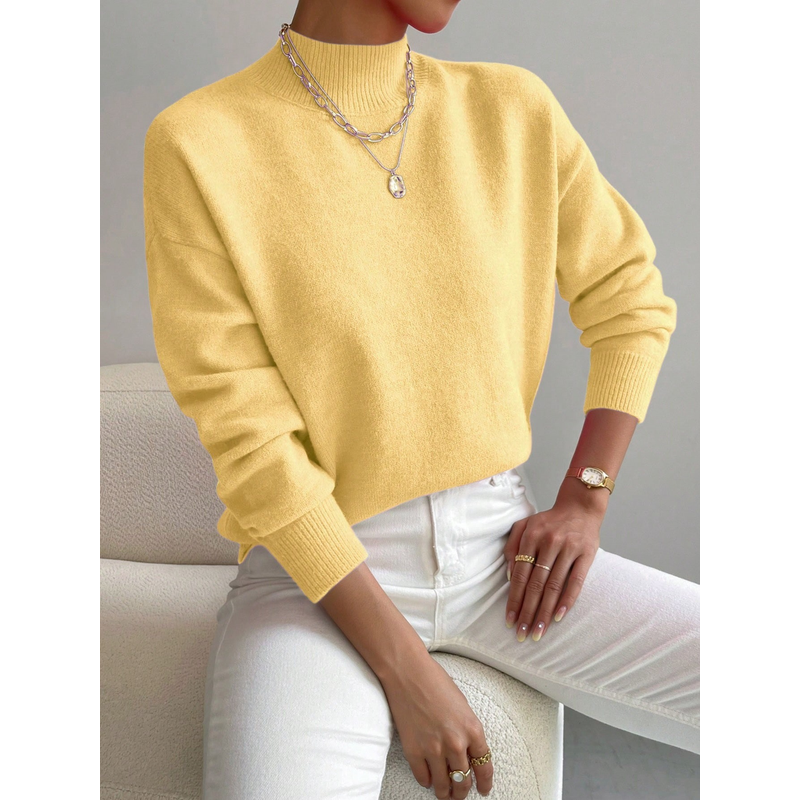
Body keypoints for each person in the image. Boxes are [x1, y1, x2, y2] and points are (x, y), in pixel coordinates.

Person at [142, 1, 699, 798]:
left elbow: (631, 299)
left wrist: (587, 496)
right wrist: (405, 669)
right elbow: (251, 443)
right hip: (316, 582)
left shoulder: (512, 110)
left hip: (505, 559)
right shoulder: (201, 142)